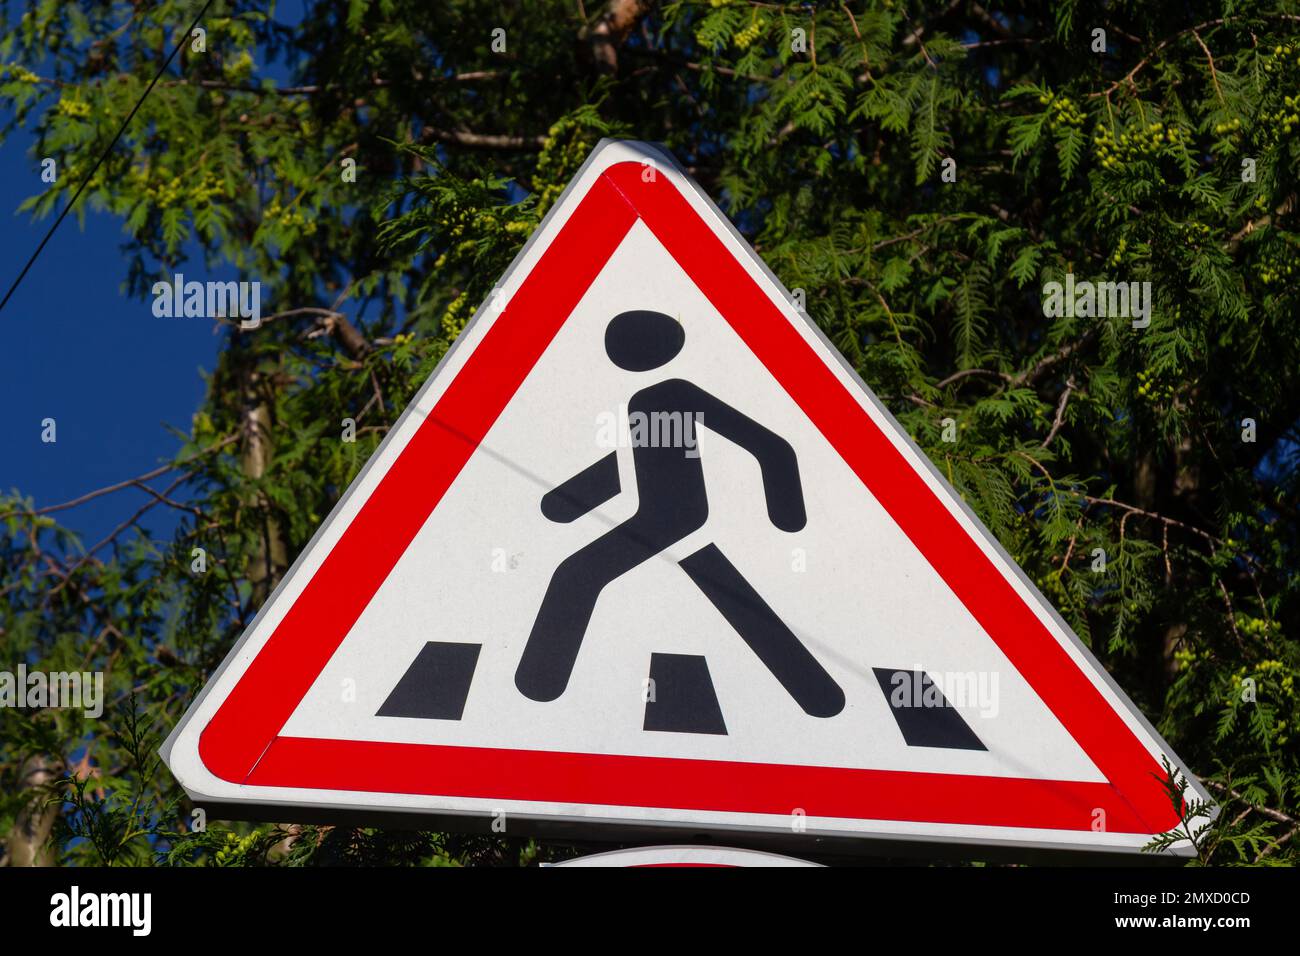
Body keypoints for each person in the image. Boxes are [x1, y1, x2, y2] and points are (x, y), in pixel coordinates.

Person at [515, 310, 844, 718]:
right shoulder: (644, 401)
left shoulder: (676, 394)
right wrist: (564, 503)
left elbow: (768, 446)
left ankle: (534, 691)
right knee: (736, 601)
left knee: (575, 576)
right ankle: (822, 697)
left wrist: (786, 511)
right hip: (665, 516)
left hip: (675, 517)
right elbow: (626, 467)